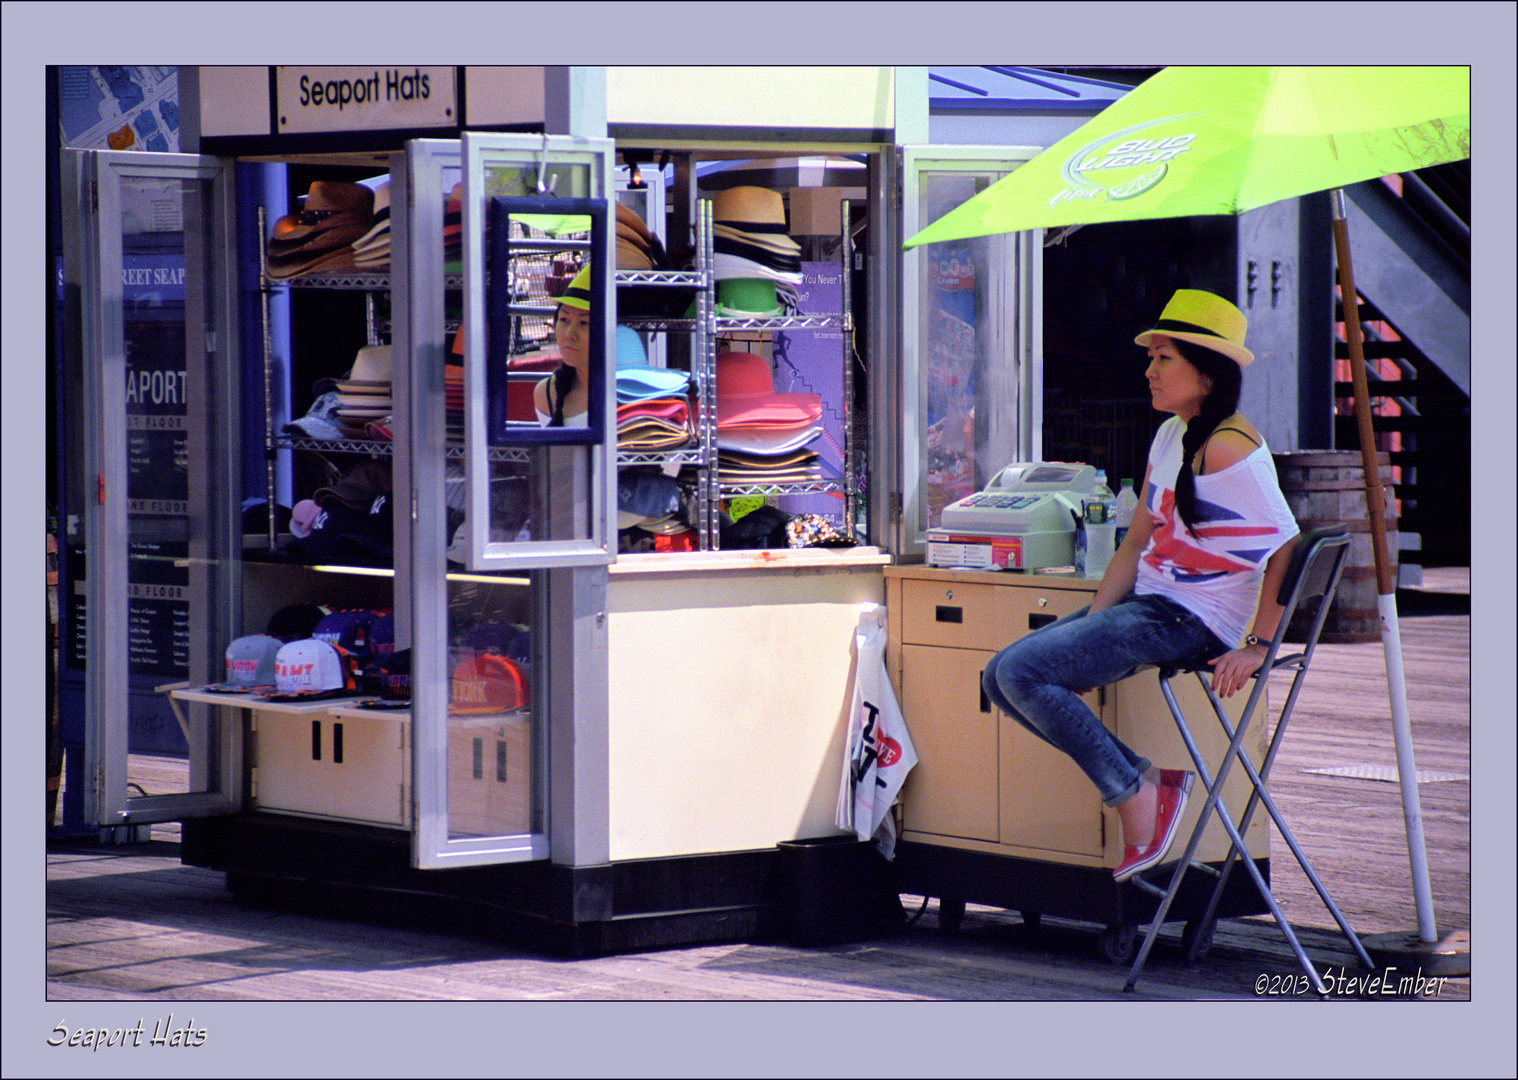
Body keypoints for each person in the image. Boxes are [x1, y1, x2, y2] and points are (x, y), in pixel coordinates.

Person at [982, 289, 1301, 882]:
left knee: (1022, 673)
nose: (1148, 370)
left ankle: (1136, 794)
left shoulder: (1226, 447)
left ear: (1205, 376)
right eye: (1150, 357)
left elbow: (1287, 544)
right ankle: (1149, 783)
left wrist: (1260, 645)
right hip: (1149, 604)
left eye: (1163, 359)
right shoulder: (1171, 435)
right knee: (999, 678)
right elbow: (1134, 542)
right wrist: (1095, 619)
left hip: (1192, 619)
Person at [533, 265, 594, 427]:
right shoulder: (545, 395)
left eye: (584, 322)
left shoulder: (629, 395)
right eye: (564, 319)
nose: (569, 334)